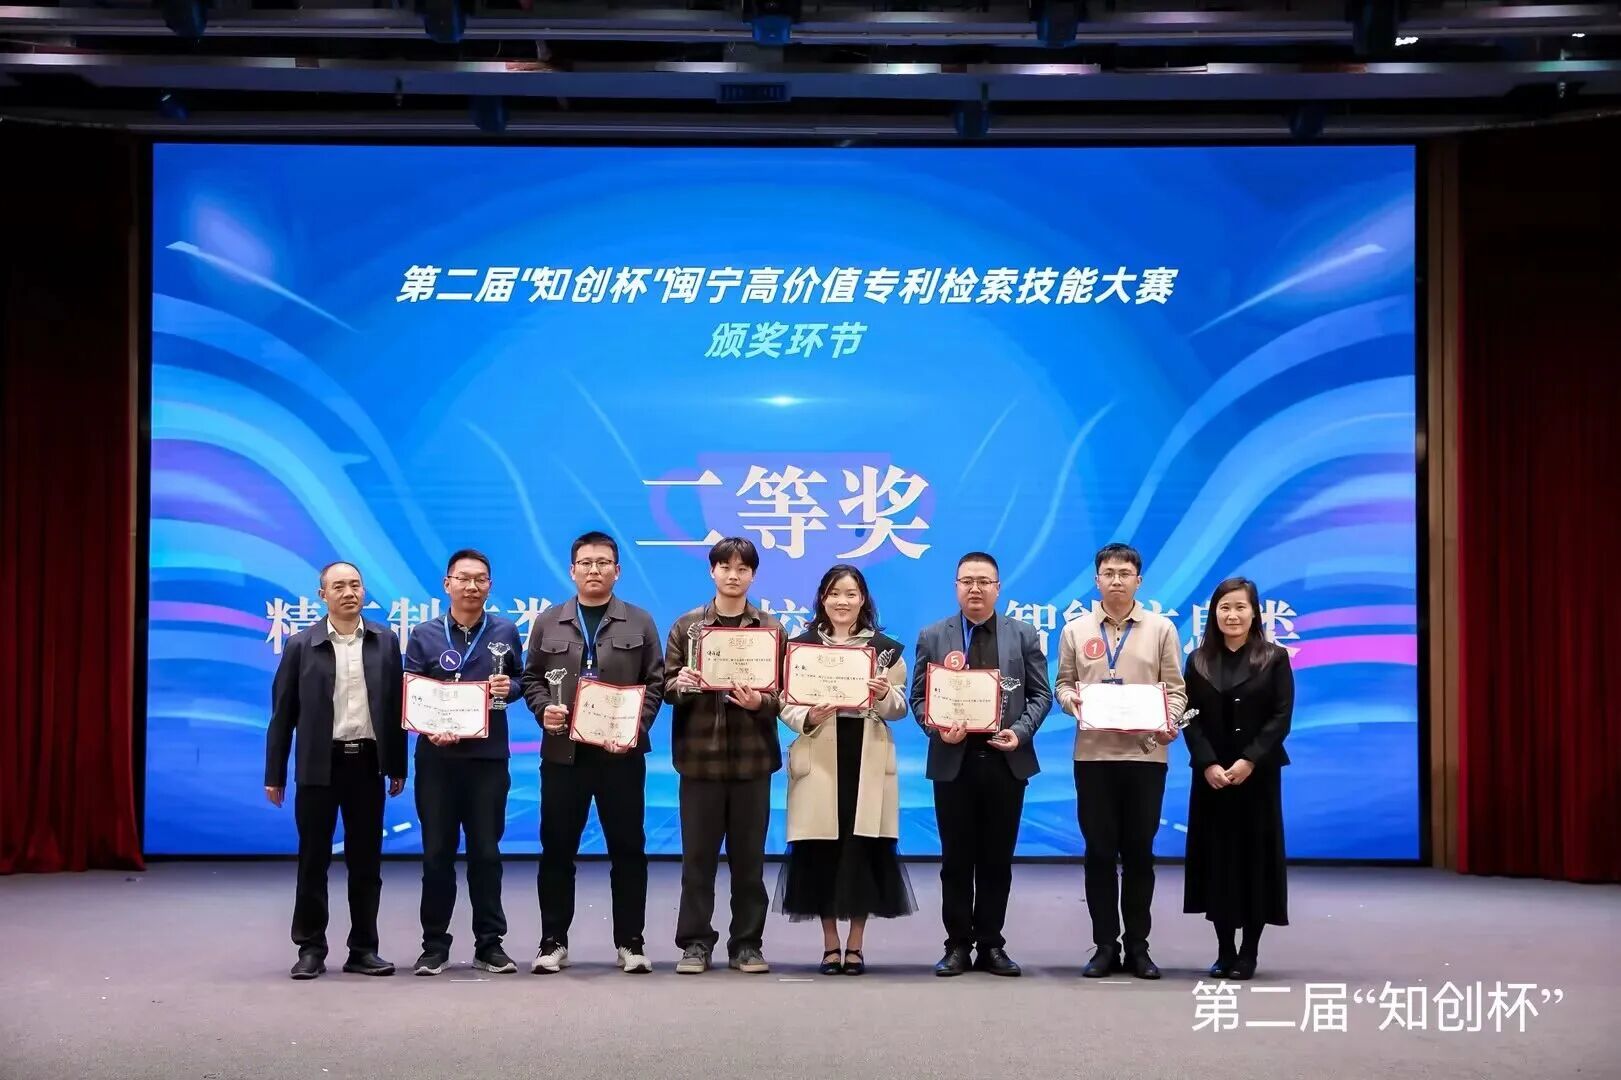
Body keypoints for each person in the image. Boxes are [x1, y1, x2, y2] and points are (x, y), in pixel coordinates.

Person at [521, 531, 664, 975]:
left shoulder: (639, 621)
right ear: (572, 570)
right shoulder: (549, 621)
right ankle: (552, 941)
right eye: (586, 563)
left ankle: (631, 943)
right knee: (557, 850)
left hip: (620, 756)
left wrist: (633, 728)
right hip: (563, 756)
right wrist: (543, 710)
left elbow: (655, 682)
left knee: (628, 850)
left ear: (617, 571)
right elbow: (531, 679)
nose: (594, 570)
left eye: (603, 563)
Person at [264, 560, 407, 980]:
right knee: (313, 860)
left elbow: (395, 708)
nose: (349, 592)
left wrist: (396, 765)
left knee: (367, 864)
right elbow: (282, 715)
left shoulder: (385, 641)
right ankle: (310, 948)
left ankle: (363, 949)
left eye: (355, 585)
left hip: (367, 763)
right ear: (322, 594)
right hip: (318, 765)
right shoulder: (301, 645)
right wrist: (274, 773)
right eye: (339, 586)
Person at [910, 551, 1051, 978]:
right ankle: (956, 945)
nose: (975, 588)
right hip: (953, 761)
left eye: (983, 581)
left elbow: (1040, 694)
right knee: (955, 860)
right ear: (956, 586)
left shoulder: (1023, 634)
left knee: (996, 859)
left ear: (997, 588)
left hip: (1005, 761)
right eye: (967, 581)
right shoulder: (933, 635)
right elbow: (919, 697)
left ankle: (991, 944)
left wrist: (1020, 732)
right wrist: (937, 728)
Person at [773, 564, 916, 975]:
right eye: (835, 593)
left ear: (863, 600)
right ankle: (829, 945)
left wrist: (883, 695)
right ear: (823, 598)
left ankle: (855, 945)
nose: (842, 601)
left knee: (862, 851)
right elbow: (784, 701)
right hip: (819, 753)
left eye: (851, 594)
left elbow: (900, 708)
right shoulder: (800, 647)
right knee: (820, 852)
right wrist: (808, 716)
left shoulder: (886, 650)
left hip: (866, 753)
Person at [1054, 542, 1187, 979]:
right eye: (1108, 573)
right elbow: (1063, 684)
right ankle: (1105, 946)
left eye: (1124, 573)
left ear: (1138, 581)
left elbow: (1176, 689)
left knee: (1139, 854)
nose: (1116, 580)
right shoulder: (1075, 630)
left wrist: (1169, 720)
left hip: (1146, 757)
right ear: (1097, 580)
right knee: (1098, 853)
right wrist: (1071, 701)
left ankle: (1139, 947)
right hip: (1093, 757)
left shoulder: (1162, 629)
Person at [402, 548, 525, 977]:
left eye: (480, 579)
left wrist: (510, 688)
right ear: (447, 584)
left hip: (487, 759)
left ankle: (490, 945)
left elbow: (521, 681)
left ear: (489, 586)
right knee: (436, 853)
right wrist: (428, 727)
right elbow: (412, 691)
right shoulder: (423, 634)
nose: (472, 586)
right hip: (436, 759)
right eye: (464, 578)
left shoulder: (505, 631)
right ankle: (434, 946)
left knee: (486, 854)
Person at [664, 536, 783, 975]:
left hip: (753, 762)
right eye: (725, 567)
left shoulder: (771, 629)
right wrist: (683, 685)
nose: (733, 575)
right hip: (700, 760)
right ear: (712, 571)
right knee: (697, 861)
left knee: (749, 863)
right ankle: (695, 943)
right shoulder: (687, 627)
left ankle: (747, 944)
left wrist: (760, 702)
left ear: (753, 575)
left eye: (742, 569)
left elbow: (785, 695)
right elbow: (665, 686)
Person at [1182, 576, 1293, 981]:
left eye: (1240, 607)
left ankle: (1249, 952)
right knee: (1218, 862)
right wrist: (1207, 763)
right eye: (1224, 607)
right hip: (1212, 778)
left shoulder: (1274, 657)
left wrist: (1250, 760)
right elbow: (1188, 717)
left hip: (1257, 777)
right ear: (1213, 613)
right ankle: (1224, 949)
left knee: (1254, 861)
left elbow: (1281, 716)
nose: (1232, 615)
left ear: (1254, 612)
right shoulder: (1197, 660)